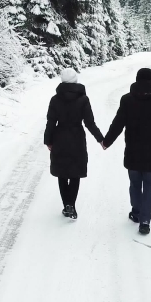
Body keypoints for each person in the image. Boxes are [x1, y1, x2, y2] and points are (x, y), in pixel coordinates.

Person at [102, 68, 151, 235]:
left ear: (137, 79)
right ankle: (145, 220)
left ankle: (136, 212)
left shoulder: (127, 99)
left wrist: (106, 141)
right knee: (149, 185)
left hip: (133, 150)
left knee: (135, 183)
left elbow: (118, 123)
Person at [44, 68, 104, 219]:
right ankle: (71, 204)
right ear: (76, 80)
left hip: (60, 137)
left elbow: (51, 122)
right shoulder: (83, 99)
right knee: (75, 172)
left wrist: (48, 141)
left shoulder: (55, 99)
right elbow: (89, 123)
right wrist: (101, 139)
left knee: (62, 173)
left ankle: (67, 206)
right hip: (77, 137)